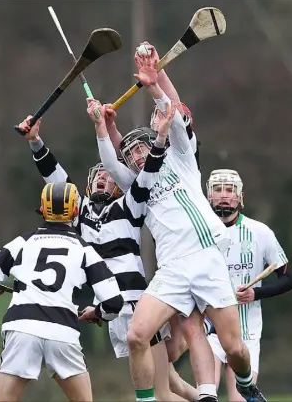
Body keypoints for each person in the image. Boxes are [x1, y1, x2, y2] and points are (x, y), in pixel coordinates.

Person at [90, 48, 268, 402]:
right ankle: (165, 399)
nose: (136, 157)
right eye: (131, 156)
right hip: (171, 267)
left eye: (140, 149)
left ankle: (246, 384)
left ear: (153, 144)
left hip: (206, 257)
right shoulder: (137, 184)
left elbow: (172, 112)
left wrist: (155, 85)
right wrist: (103, 126)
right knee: (137, 335)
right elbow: (111, 164)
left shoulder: (182, 159)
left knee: (234, 348)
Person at [18, 111, 198, 402]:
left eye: (108, 177)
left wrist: (158, 138)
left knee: (161, 394)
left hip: (136, 307)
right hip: (115, 308)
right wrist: (36, 142)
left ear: (118, 184)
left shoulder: (129, 206)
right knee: (171, 385)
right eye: (98, 177)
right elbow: (56, 178)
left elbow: (149, 172)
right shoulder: (82, 213)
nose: (103, 180)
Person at [0, 181, 124, 402]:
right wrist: (98, 313)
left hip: (22, 328)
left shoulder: (22, 242)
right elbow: (114, 303)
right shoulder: (85, 250)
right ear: (74, 211)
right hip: (62, 331)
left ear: (43, 208)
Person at [205, 169, 292, 401]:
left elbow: (289, 279)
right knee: (206, 394)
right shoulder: (198, 232)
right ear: (208, 196)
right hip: (209, 329)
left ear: (240, 197)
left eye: (229, 190)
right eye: (217, 189)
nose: (224, 195)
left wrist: (255, 293)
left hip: (246, 331)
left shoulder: (259, 232)